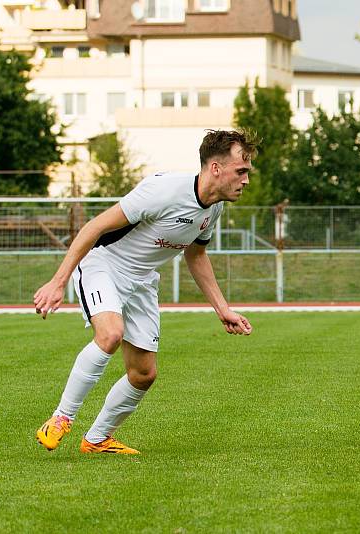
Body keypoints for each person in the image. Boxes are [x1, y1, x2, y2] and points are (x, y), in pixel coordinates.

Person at [33, 129, 257, 455]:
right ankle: (60, 418)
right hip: (103, 265)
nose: (246, 180)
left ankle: (96, 440)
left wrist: (222, 309)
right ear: (215, 169)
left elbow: (196, 255)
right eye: (241, 171)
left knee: (143, 374)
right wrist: (58, 281)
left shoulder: (214, 208)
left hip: (142, 281)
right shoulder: (163, 190)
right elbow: (94, 227)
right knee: (110, 335)